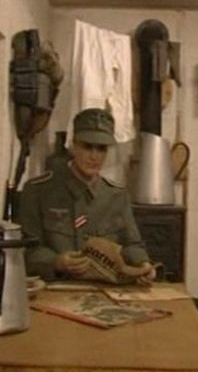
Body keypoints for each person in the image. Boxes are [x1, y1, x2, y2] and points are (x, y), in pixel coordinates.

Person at [19, 108, 156, 285]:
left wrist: (143, 265)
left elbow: (132, 244)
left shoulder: (116, 195)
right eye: (87, 146)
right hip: (55, 287)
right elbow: (27, 249)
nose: (94, 156)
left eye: (101, 149)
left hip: (105, 288)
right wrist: (57, 262)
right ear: (74, 145)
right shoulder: (38, 191)